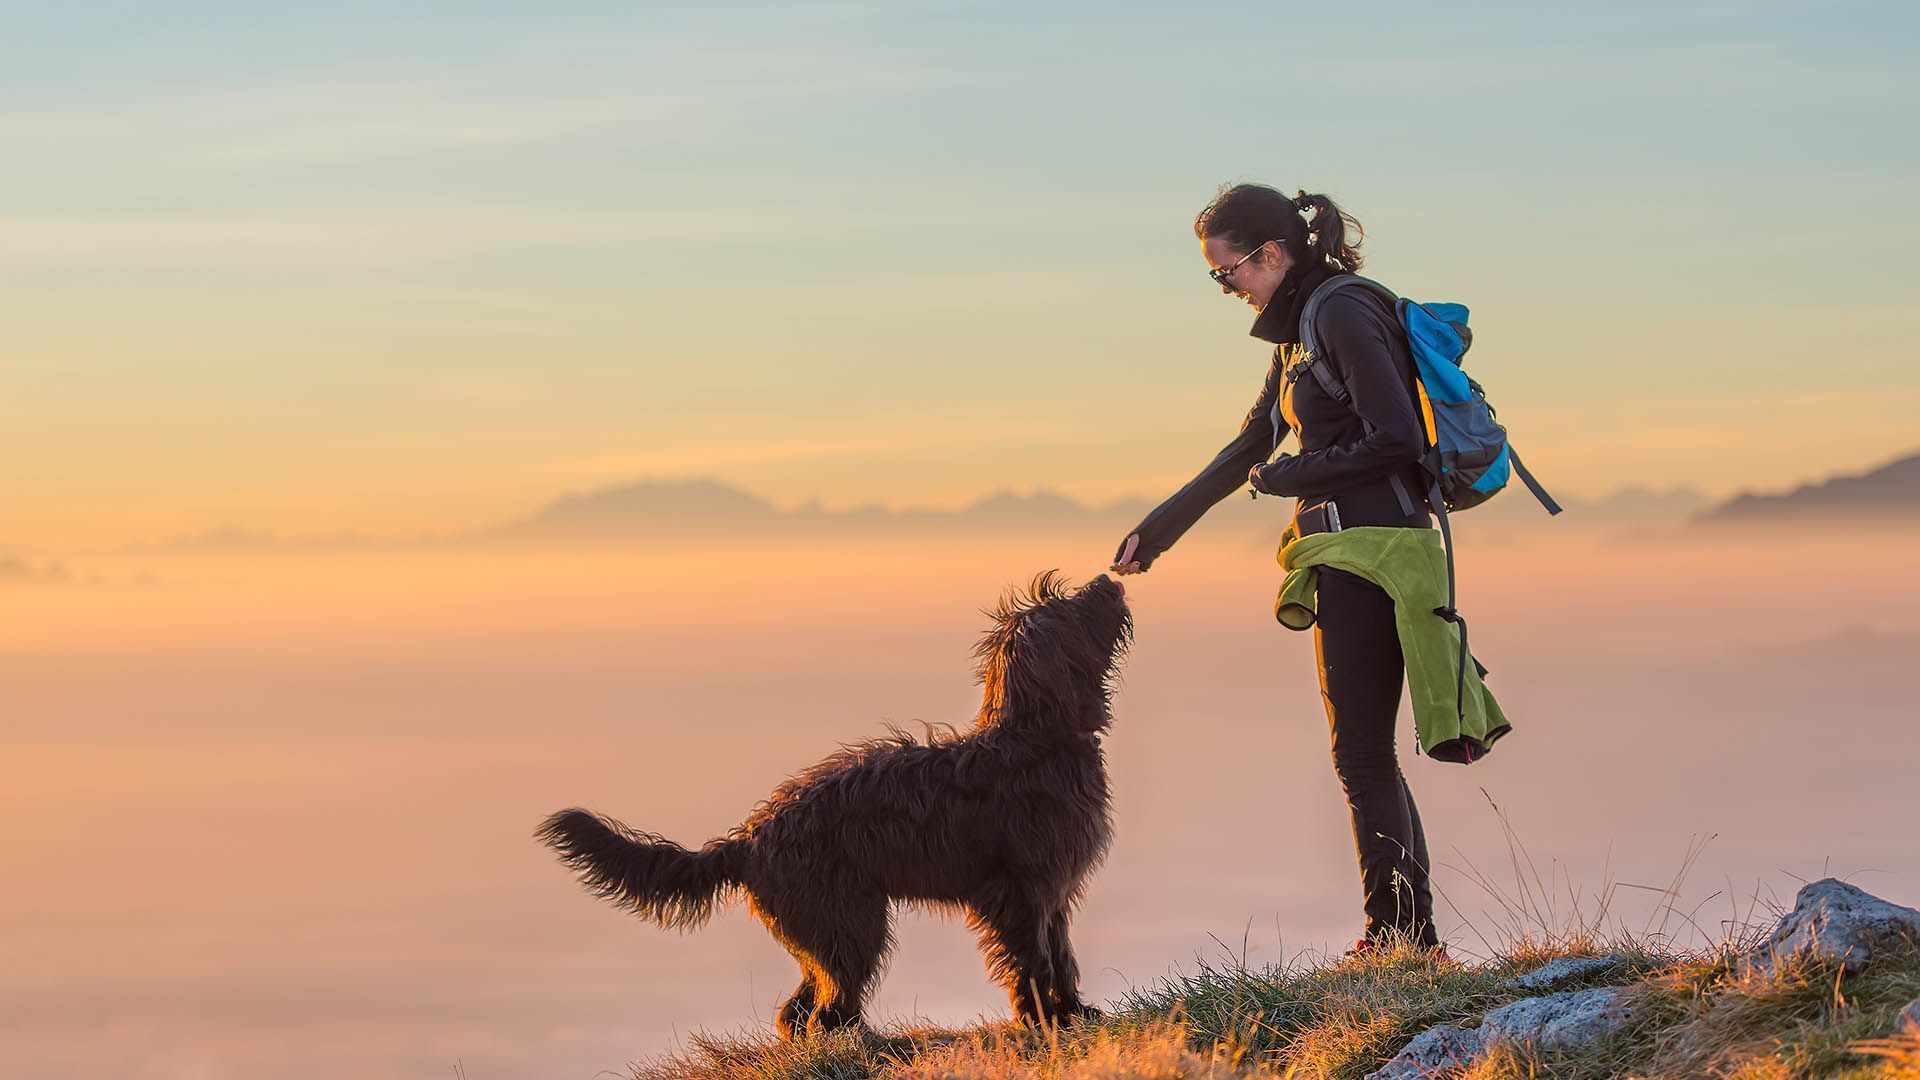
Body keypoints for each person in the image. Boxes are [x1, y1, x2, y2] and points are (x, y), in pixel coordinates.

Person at [1110, 183, 1444, 958]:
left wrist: (1293, 479)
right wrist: (1156, 532)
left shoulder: (1339, 312)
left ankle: (1397, 942)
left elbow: (1397, 434)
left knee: (1361, 754)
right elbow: (1247, 449)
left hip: (1376, 550)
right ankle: (1406, 938)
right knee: (1365, 753)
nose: (1227, 290)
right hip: (1349, 548)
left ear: (1270, 254)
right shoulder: (1300, 331)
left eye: (1227, 273)